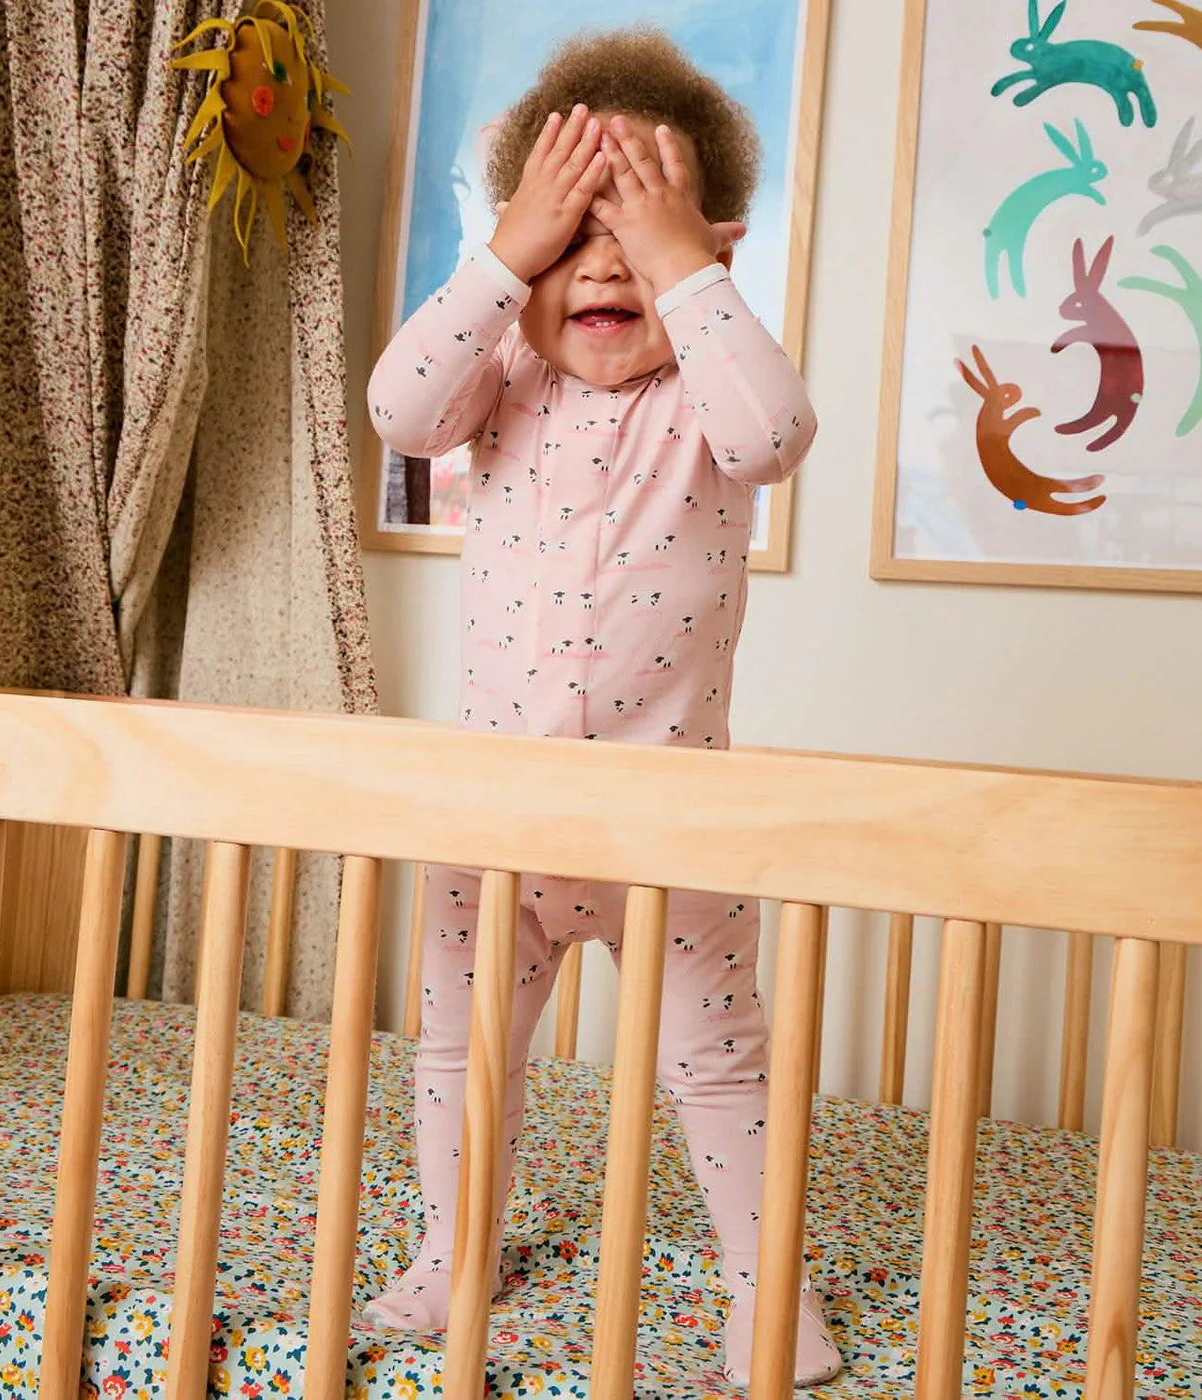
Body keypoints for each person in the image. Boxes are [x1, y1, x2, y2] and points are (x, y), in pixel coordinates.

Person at [364, 28, 838, 1387]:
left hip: (671, 826)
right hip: (497, 823)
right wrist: (503, 257)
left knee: (716, 1063)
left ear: (715, 251)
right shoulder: (496, 382)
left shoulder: (712, 397)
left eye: (640, 232)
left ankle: (767, 1295)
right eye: (573, 234)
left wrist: (689, 270)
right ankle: (453, 1250)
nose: (606, 265)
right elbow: (397, 410)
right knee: (460, 1052)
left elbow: (780, 435)